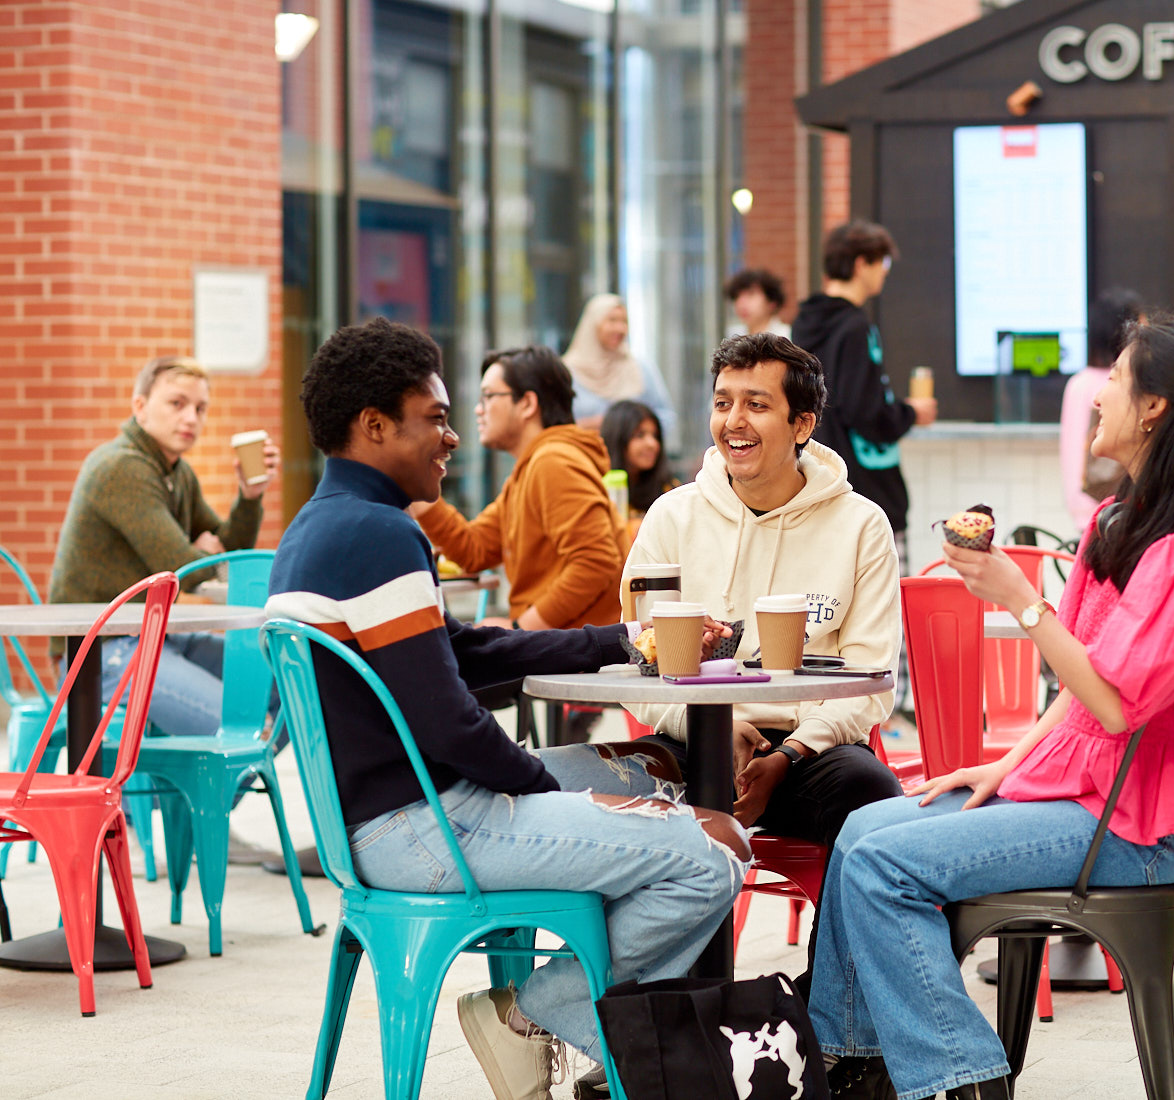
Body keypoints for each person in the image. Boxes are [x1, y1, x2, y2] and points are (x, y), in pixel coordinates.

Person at [268, 316, 746, 1100]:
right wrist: (548, 788)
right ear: (374, 426)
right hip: (423, 828)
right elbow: (449, 724)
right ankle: (533, 1016)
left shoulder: (320, 527)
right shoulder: (379, 536)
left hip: (389, 819)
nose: (452, 437)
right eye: (437, 418)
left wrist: (623, 640)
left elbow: (470, 655)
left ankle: (623, 1043)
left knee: (644, 778)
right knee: (712, 851)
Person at [808, 320, 1174, 1100]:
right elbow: (1080, 692)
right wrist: (1007, 762)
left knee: (887, 866)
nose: (1098, 395)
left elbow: (1117, 704)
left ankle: (964, 1078)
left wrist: (1023, 600)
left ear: (1156, 407)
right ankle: (856, 1061)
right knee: (860, 828)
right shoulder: (1121, 523)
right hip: (1087, 792)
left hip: (1139, 828)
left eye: (1118, 379)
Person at [622, 331, 904, 894]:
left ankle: (828, 985)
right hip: (690, 740)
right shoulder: (671, 517)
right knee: (593, 796)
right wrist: (714, 727)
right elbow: (637, 662)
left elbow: (872, 682)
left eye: (757, 404)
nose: (734, 421)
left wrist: (790, 755)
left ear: (803, 425)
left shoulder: (861, 525)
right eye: (723, 402)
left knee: (874, 803)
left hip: (810, 751)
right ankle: (658, 985)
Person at [49, 354, 279, 738]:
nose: (191, 418)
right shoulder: (120, 468)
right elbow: (183, 570)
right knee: (241, 728)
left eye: (200, 408)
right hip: (97, 654)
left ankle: (194, 796)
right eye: (177, 403)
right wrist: (202, 553)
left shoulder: (177, 473)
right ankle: (199, 794)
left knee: (286, 684)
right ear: (140, 407)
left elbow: (225, 555)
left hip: (154, 639)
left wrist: (249, 496)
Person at [412, 345, 624, 632]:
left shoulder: (553, 462)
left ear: (527, 404)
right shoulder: (531, 467)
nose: (478, 409)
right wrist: (420, 495)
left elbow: (595, 564)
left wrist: (518, 629)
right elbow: (475, 549)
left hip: (573, 659)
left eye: (488, 396)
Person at [790, 219, 938, 562]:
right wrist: (912, 413)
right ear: (861, 264)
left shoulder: (805, 323)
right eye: (882, 263)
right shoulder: (855, 327)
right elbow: (864, 410)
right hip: (867, 487)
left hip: (818, 475)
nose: (884, 273)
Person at [1060, 289, 1145, 531]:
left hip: (1085, 510)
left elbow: (1071, 451)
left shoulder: (1078, 383)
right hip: (1117, 513)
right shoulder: (1131, 382)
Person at [563, 293, 677, 442]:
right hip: (581, 459)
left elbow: (666, 417)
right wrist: (589, 426)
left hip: (631, 463)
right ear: (592, 323)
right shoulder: (566, 372)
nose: (620, 328)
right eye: (612, 320)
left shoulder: (640, 368)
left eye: (624, 321)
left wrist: (634, 427)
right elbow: (553, 426)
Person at [600, 398, 681, 533]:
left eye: (655, 436)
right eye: (640, 435)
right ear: (618, 439)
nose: (652, 444)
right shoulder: (598, 487)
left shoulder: (670, 489)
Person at [725, 267, 791, 339]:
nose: (741, 302)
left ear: (772, 302)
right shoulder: (730, 336)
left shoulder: (789, 337)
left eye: (751, 294)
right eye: (737, 296)